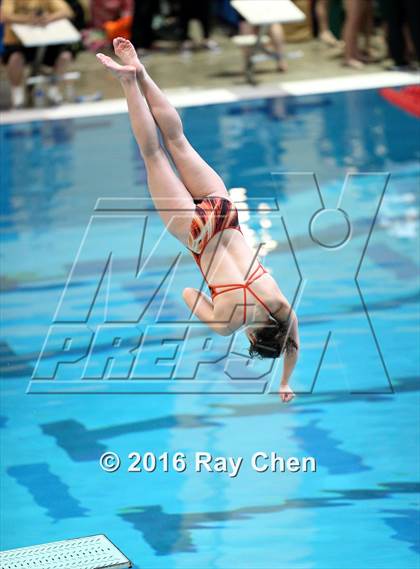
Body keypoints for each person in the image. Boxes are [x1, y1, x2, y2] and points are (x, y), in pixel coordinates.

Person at [96, 38, 299, 402]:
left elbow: (294, 342)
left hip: (226, 214)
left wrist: (287, 381)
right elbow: (188, 293)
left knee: (177, 140)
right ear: (252, 337)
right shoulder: (227, 323)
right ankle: (127, 82)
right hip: (198, 235)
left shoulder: (281, 305)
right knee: (153, 154)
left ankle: (139, 70)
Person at [1, 0, 74, 108]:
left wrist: (48, 18)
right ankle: (17, 91)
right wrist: (28, 19)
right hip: (18, 41)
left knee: (65, 56)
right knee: (16, 58)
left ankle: (53, 89)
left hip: (45, 39)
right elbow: (5, 16)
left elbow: (67, 12)